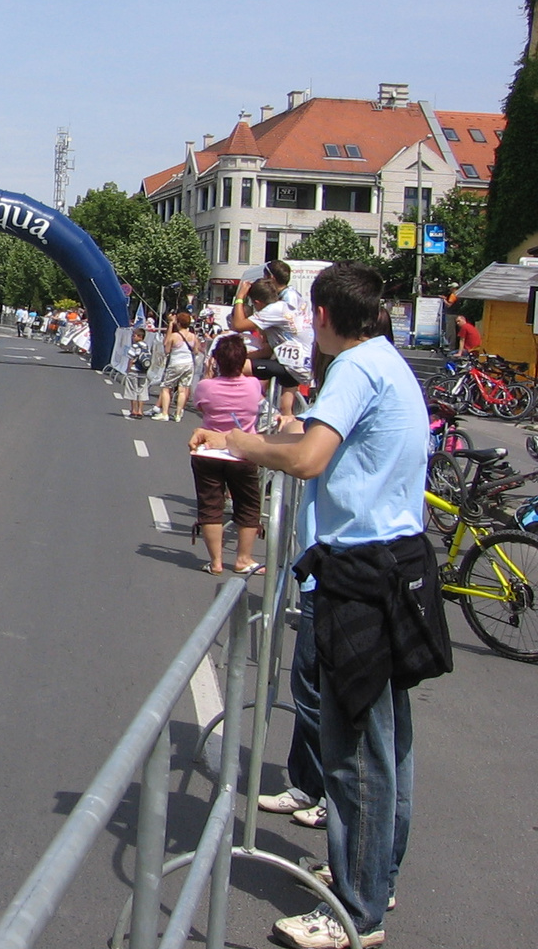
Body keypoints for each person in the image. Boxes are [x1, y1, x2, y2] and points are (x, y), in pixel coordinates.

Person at [192, 262, 438, 949]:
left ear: (325, 317)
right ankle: (372, 878)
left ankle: (354, 913)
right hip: (399, 565)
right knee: (389, 744)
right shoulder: (390, 362)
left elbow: (309, 459)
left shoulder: (356, 368)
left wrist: (237, 441)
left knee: (355, 750)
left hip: (359, 575)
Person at [187, 333, 262, 574]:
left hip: (209, 451)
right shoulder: (253, 385)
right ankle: (243, 558)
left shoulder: (206, 387)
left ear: (217, 360)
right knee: (248, 505)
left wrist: (210, 373)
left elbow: (200, 407)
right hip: (242, 452)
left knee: (211, 505)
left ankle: (216, 561)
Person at [231, 276, 314, 418]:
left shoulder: (274, 310)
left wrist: (239, 297)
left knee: (233, 366)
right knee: (286, 411)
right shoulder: (284, 307)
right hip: (299, 365)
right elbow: (268, 351)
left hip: (291, 365)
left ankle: (266, 414)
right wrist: (246, 356)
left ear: (257, 302)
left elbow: (238, 325)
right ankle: (285, 432)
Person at [156, 312, 200, 421]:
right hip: (189, 364)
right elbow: (196, 351)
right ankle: (178, 414)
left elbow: (166, 349)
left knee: (166, 387)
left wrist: (170, 326)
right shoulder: (193, 336)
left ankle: (165, 413)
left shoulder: (174, 336)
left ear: (178, 323)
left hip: (175, 363)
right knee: (183, 389)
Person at [121, 327, 152, 419]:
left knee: (132, 390)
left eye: (134, 335)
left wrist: (128, 369)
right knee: (141, 391)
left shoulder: (134, 346)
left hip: (134, 371)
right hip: (143, 371)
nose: (132, 337)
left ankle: (134, 410)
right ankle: (140, 411)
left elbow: (131, 359)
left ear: (139, 336)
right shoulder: (146, 346)